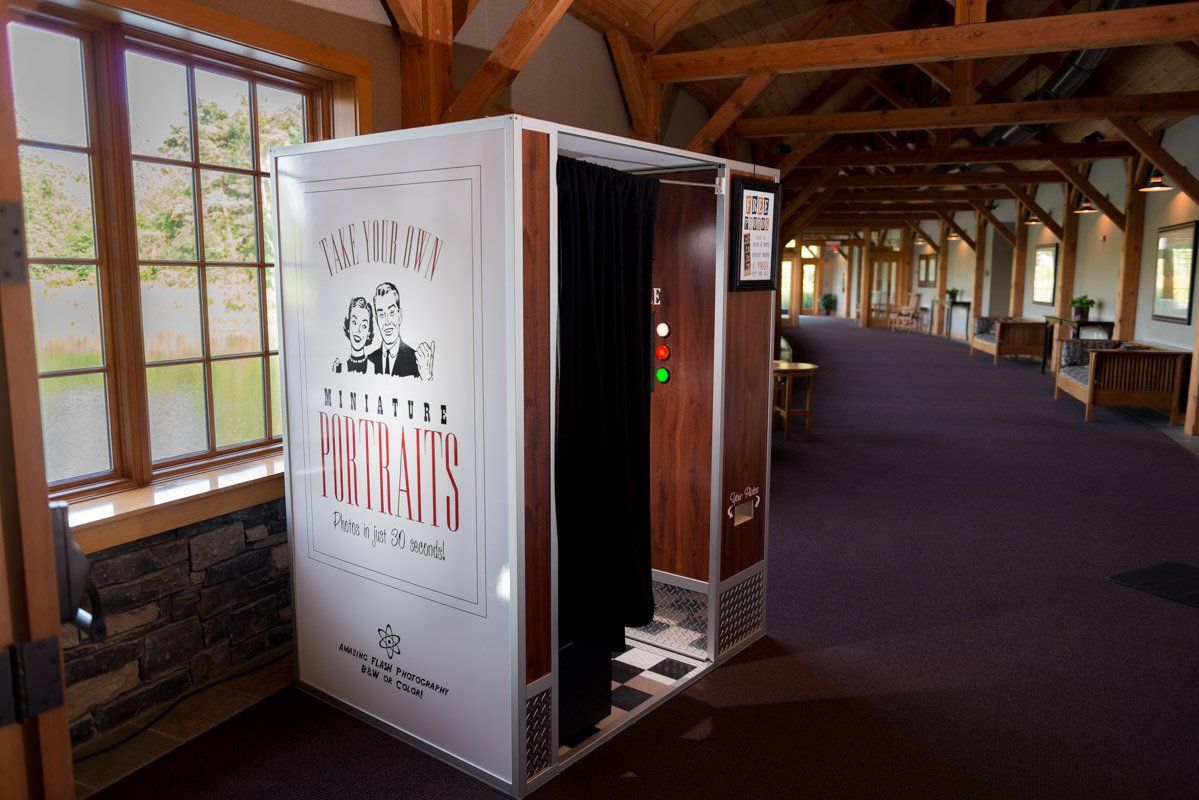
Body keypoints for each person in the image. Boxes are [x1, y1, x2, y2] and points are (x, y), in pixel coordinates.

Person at [367, 281, 435, 380]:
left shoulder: (418, 362)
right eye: (381, 315)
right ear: (377, 320)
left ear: (400, 315)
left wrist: (428, 378)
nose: (387, 322)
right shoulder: (369, 360)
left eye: (391, 312)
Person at [332, 297, 375, 374]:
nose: (358, 330)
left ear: (368, 332)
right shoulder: (340, 368)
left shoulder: (374, 368)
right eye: (354, 322)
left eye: (364, 326)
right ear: (348, 326)